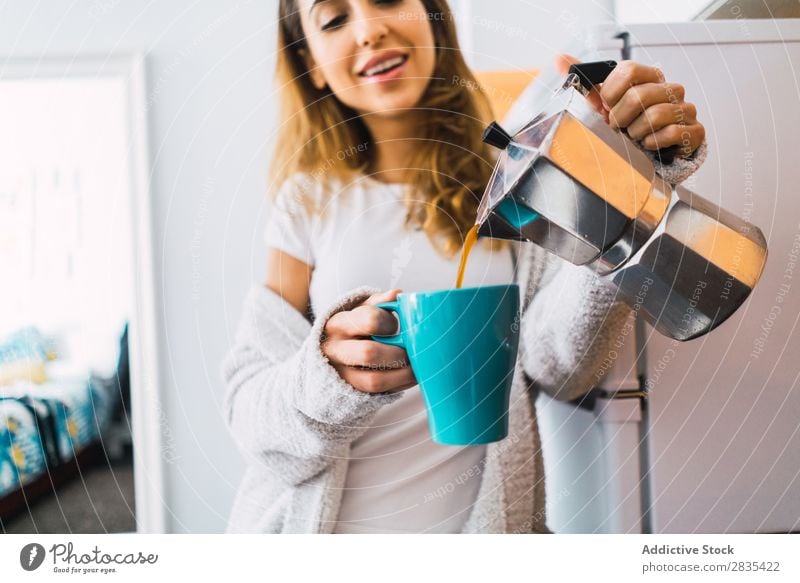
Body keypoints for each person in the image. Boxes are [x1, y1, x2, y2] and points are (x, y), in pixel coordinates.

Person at [221, 0, 707, 534]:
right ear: (310, 62)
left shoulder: (514, 183)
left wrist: (639, 185)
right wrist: (324, 376)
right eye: (334, 18)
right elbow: (250, 415)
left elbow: (564, 367)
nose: (369, 30)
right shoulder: (305, 200)